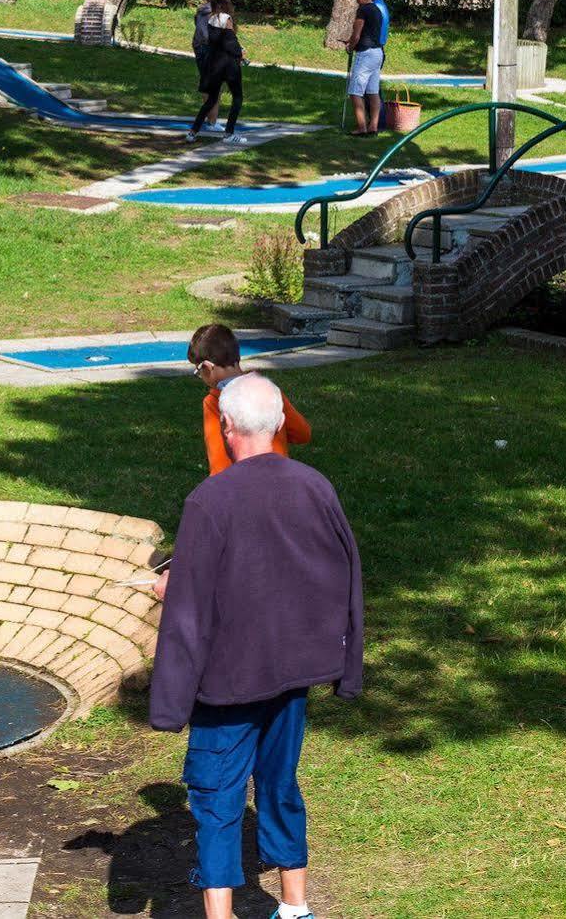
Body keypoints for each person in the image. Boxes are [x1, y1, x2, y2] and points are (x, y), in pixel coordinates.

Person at [150, 375, 364, 919]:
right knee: (280, 784)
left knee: (217, 801)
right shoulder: (315, 487)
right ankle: (295, 909)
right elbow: (342, 571)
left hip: (228, 684)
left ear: (225, 426)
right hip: (292, 676)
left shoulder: (210, 500)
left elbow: (189, 611)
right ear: (276, 424)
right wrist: (343, 663)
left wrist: (169, 704)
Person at [189, 324, 311, 476]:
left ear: (207, 367)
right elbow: (302, 433)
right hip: (280, 482)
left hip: (239, 489)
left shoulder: (214, 402)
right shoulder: (268, 390)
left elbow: (218, 462)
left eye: (198, 372)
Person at [188, 0, 244, 141]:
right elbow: (231, 42)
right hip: (228, 64)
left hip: (215, 64)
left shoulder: (211, 19)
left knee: (211, 99)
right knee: (237, 97)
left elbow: (214, 41)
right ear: (224, 4)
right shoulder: (226, 19)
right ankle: (229, 133)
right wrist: (241, 54)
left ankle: (192, 133)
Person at [345, 0, 387, 137]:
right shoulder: (377, 9)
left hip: (366, 54)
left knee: (355, 92)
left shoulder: (362, 10)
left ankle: (361, 127)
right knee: (373, 92)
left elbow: (356, 34)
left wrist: (350, 46)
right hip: (377, 53)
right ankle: (373, 127)